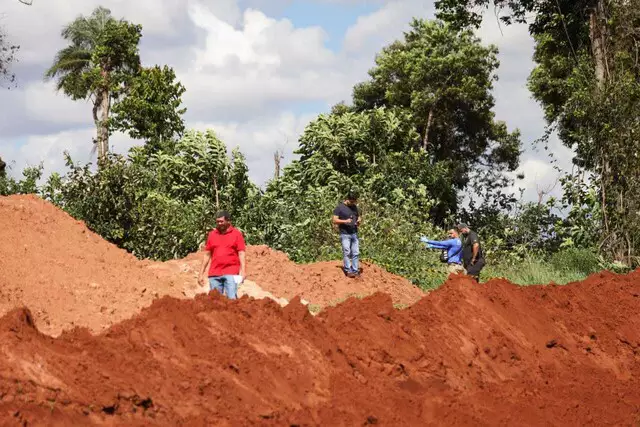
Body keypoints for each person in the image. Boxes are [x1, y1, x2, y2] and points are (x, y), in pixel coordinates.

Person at [199, 211, 246, 299]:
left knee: (231, 299)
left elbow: (241, 253)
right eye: (217, 222)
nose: (219, 224)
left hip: (232, 272)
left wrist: (243, 271)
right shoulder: (212, 235)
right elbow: (207, 255)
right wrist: (201, 274)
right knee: (215, 301)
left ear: (228, 221)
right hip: (214, 273)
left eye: (221, 221)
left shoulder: (237, 234)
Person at [332, 191, 361, 278]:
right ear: (347, 199)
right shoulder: (339, 208)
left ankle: (355, 270)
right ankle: (348, 270)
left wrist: (359, 220)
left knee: (356, 252)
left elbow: (358, 216)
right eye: (352, 201)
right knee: (347, 251)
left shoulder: (354, 207)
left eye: (354, 202)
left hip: (354, 233)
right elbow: (334, 220)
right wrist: (345, 221)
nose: (353, 203)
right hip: (345, 234)